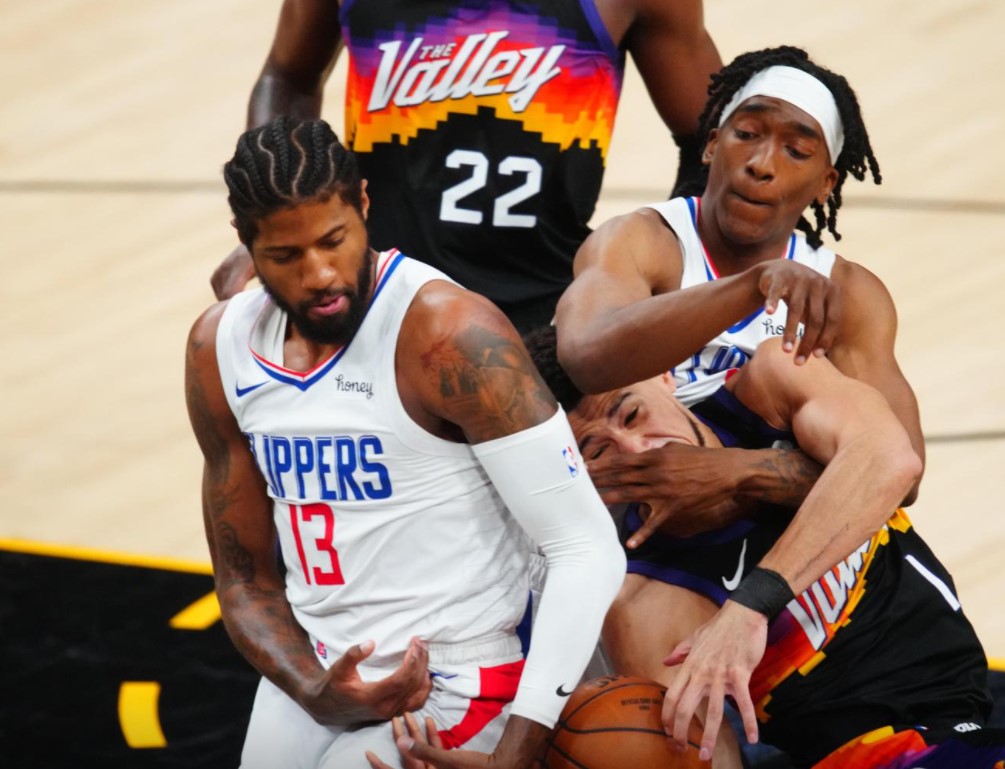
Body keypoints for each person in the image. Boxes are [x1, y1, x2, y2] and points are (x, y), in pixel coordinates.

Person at [184, 116, 625, 769]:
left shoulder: (450, 334)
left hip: (460, 679)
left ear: (365, 203)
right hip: (320, 670)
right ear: (245, 245)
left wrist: (518, 750)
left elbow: (587, 548)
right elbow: (245, 579)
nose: (320, 274)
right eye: (285, 256)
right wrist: (314, 690)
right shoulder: (218, 350)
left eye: (335, 240)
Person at [520, 328, 1005, 769]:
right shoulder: (648, 603)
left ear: (664, 374)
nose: (638, 450)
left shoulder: (769, 385)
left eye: (631, 415)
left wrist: (749, 608)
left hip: (961, 717)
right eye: (599, 452)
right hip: (883, 756)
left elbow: (891, 458)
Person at [554, 46, 924, 553]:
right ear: (710, 145)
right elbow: (586, 355)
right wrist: (750, 287)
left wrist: (732, 474)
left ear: (826, 183)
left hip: (768, 540)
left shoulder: (850, 295)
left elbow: (902, 474)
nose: (760, 164)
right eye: (746, 135)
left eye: (797, 151)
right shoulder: (642, 242)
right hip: (631, 532)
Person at [210, 0, 724, 332]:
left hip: (551, 310)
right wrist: (273, 214)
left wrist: (660, 265)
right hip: (378, 296)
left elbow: (715, 138)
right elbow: (289, 76)